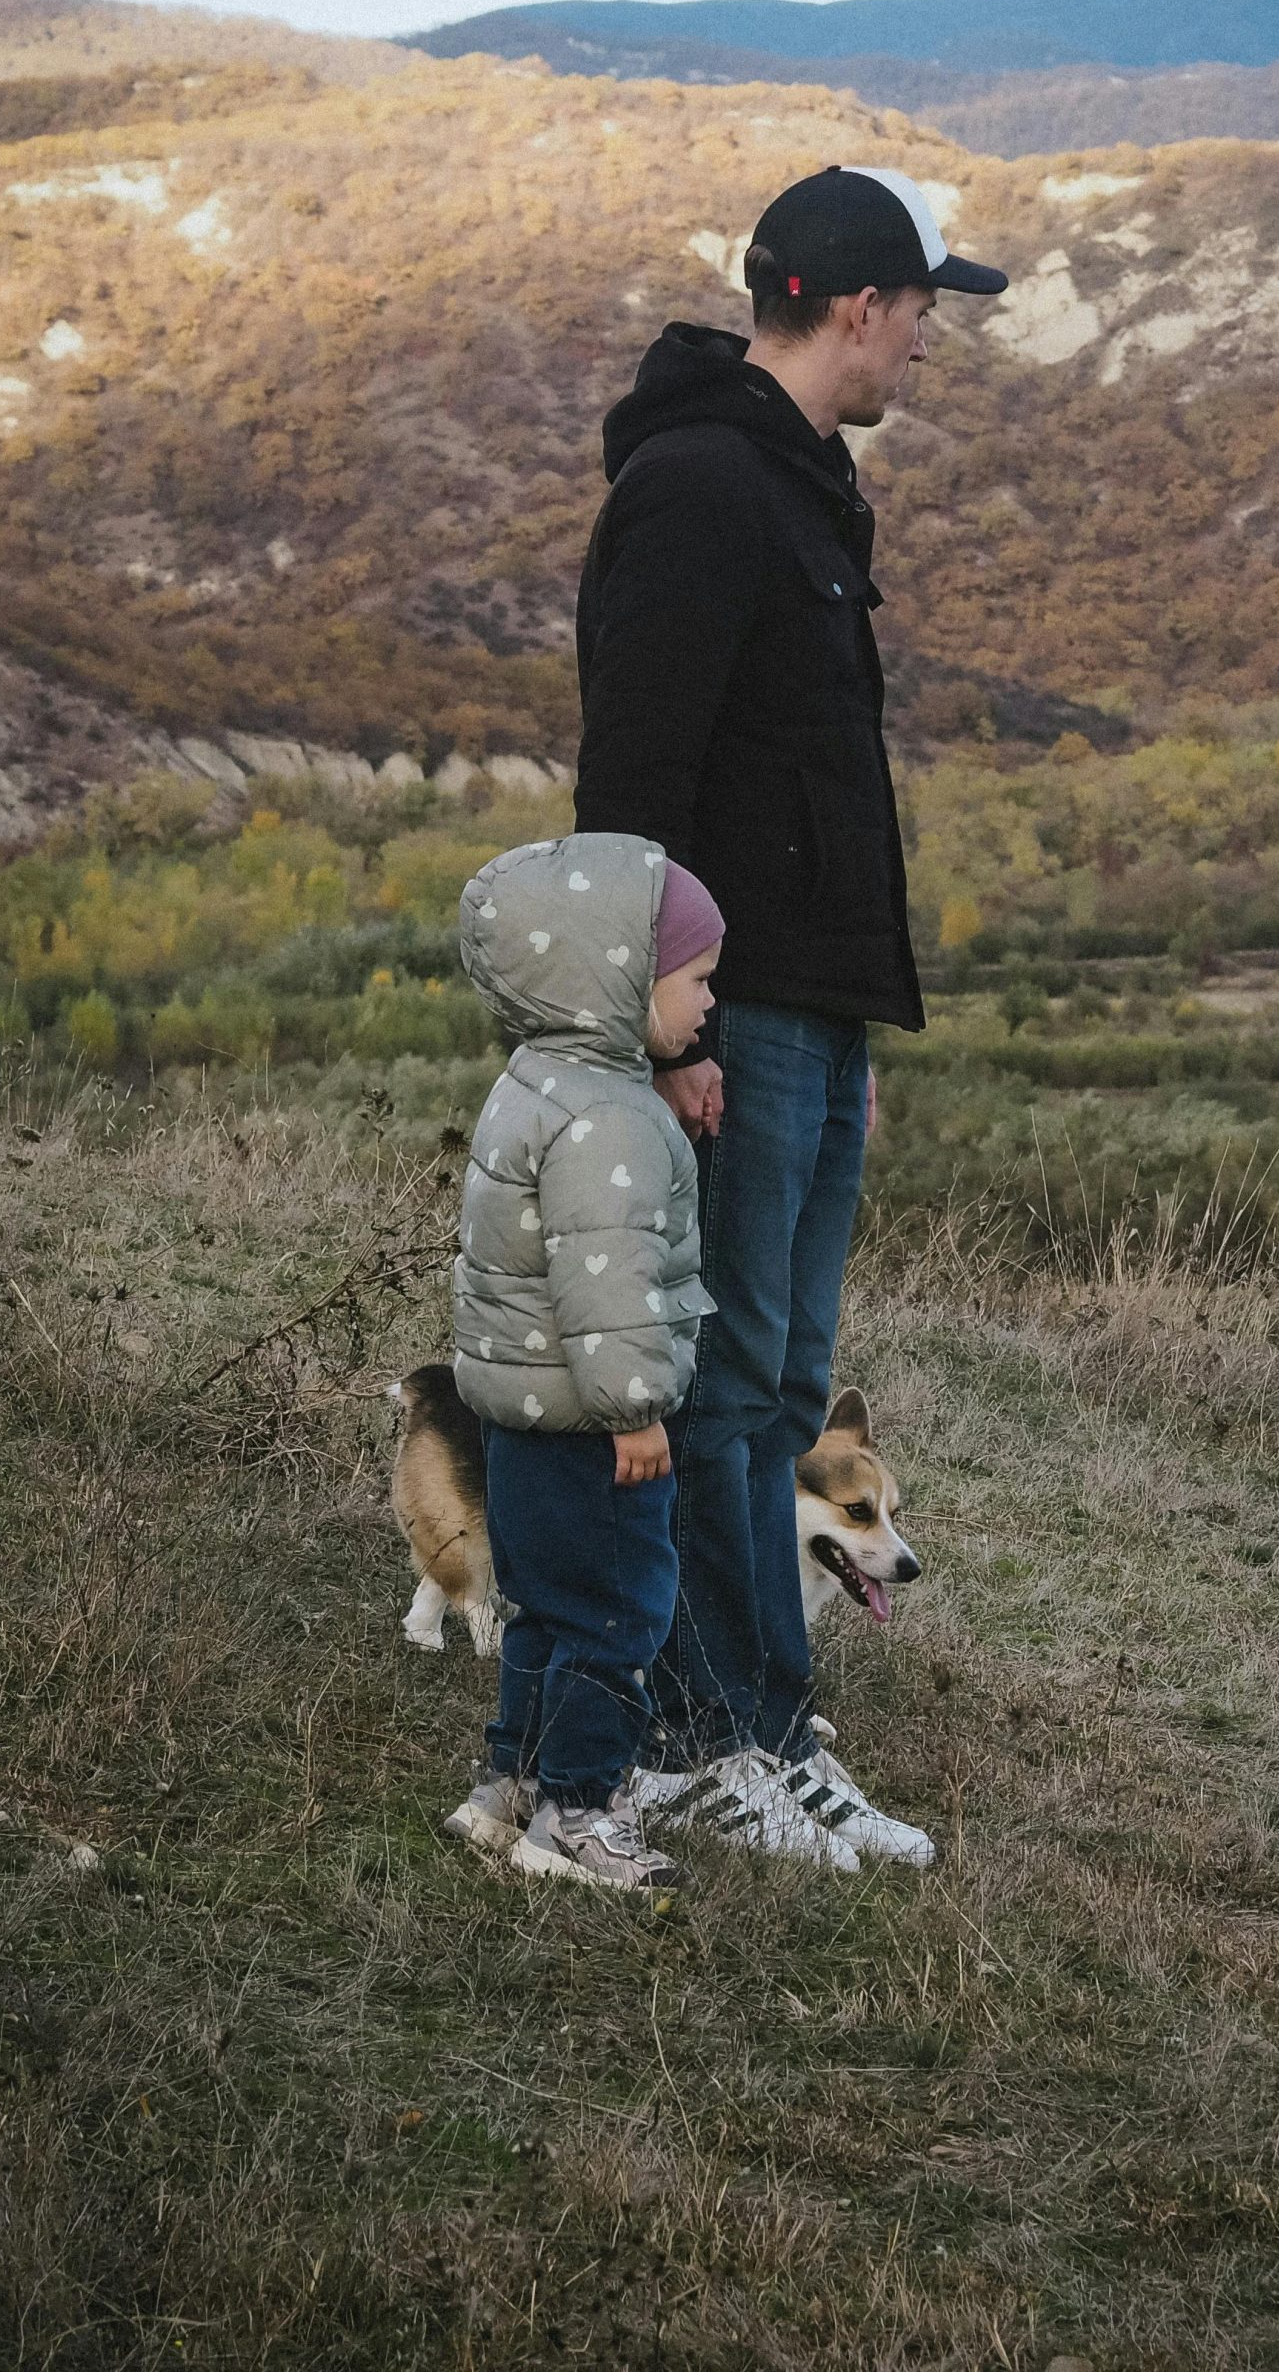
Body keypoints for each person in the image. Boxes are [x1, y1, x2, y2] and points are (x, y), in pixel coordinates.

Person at [570, 165, 1006, 1869]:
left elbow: (817, 788)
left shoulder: (805, 489)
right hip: (730, 1017)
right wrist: (669, 1032)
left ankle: (756, 1718)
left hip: (806, 1018)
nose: (925, 342)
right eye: (920, 310)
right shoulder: (699, 488)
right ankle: (721, 1736)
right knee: (731, 1387)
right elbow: (635, 781)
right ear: (853, 305)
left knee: (787, 1380)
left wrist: (844, 1037)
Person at [443, 831, 724, 1890]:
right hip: (590, 1422)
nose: (707, 1004)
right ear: (613, 976)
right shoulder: (607, 1116)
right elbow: (603, 1289)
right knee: (618, 1610)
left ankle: (506, 1783)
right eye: (694, 978)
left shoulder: (538, 1080)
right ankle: (582, 1812)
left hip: (522, 1409)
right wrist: (637, 1408)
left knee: (547, 1603)